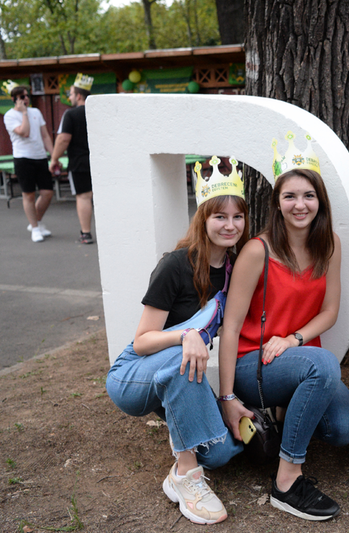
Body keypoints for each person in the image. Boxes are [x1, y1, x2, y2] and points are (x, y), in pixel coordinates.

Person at [218, 133, 349, 522]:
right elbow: (230, 328)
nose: (300, 204)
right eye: (290, 196)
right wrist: (227, 396)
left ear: (320, 201)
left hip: (298, 358)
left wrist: (293, 339)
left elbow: (329, 311)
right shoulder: (257, 251)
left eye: (309, 195)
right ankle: (287, 480)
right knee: (324, 364)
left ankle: (285, 414)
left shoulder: (329, 244)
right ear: (277, 203)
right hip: (253, 364)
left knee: (345, 429)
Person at [106, 157, 248, 525]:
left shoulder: (235, 270)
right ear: (203, 218)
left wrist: (227, 398)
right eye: (220, 216)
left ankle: (181, 460)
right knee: (184, 359)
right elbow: (141, 342)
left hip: (180, 375)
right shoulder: (175, 265)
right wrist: (186, 335)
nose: (230, 225)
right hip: (133, 376)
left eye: (237, 216)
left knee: (221, 453)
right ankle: (187, 477)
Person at [2, 81, 55, 243]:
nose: (26, 99)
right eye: (22, 96)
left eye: (27, 96)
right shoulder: (10, 116)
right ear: (14, 99)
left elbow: (45, 135)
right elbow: (24, 132)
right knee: (29, 194)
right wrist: (24, 113)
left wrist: (54, 156)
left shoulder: (36, 112)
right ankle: (35, 228)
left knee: (47, 193)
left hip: (40, 157)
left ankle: (35, 222)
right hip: (23, 158)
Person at [49, 73, 94, 244]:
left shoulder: (71, 114)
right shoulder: (99, 112)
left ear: (79, 96)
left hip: (79, 163)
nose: (69, 97)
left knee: (84, 197)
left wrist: (54, 159)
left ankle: (86, 234)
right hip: (101, 162)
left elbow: (63, 139)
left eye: (71, 94)